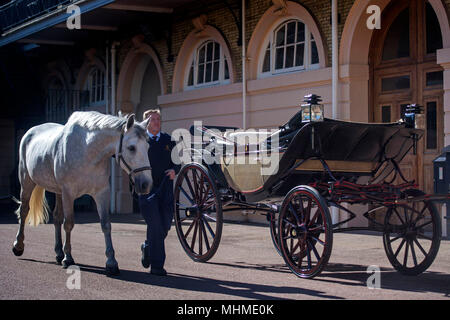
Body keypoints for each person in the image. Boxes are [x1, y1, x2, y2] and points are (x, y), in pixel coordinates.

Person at [139, 109, 179, 276]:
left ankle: (148, 246)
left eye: (158, 119)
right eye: (152, 119)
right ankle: (157, 266)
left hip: (166, 189)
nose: (156, 122)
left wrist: (175, 170)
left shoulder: (169, 140)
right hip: (146, 189)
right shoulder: (140, 141)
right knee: (155, 225)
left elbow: (178, 161)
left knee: (164, 226)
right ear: (146, 123)